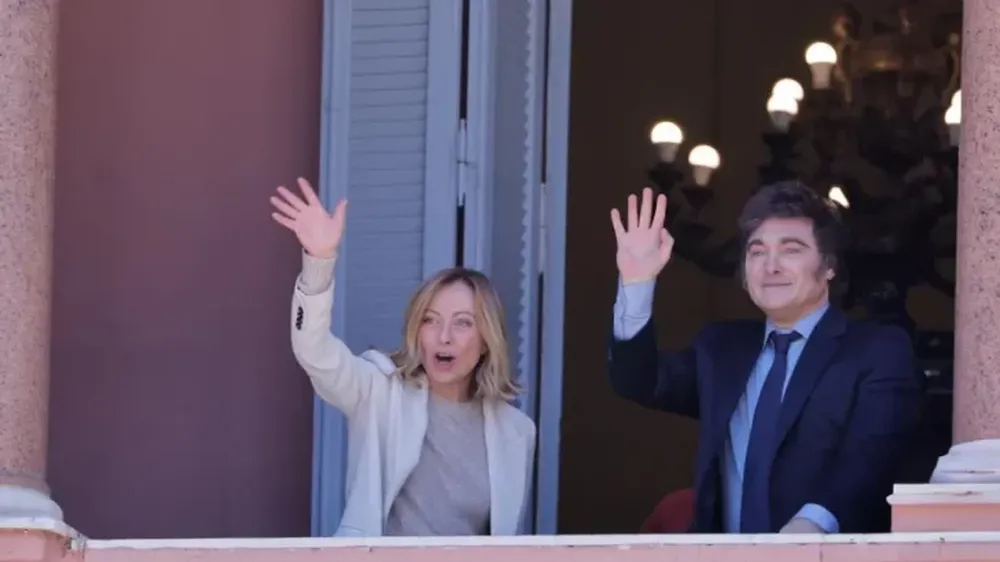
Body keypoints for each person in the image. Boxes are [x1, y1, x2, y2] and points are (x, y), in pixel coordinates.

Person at [607, 181, 922, 534]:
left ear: (829, 266)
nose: (770, 266)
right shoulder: (722, 348)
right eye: (757, 252)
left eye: (791, 250)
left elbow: (869, 457)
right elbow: (637, 380)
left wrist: (811, 525)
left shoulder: (876, 351)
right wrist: (637, 283)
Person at [269, 178, 536, 537]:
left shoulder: (517, 431)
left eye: (463, 324)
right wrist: (320, 262)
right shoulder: (378, 390)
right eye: (431, 320)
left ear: (487, 339)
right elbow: (315, 352)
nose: (444, 337)